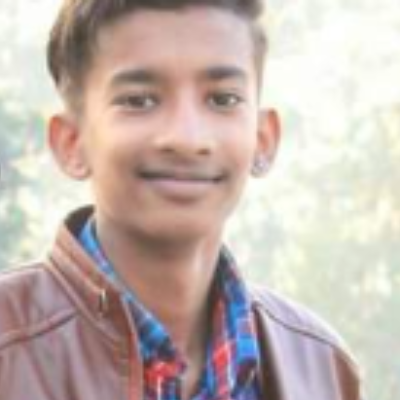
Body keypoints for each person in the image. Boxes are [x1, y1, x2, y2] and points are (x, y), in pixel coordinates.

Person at [0, 0, 364, 399]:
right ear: (71, 142)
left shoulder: (321, 366)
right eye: (139, 100)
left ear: (263, 138)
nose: (187, 138)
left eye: (222, 100)